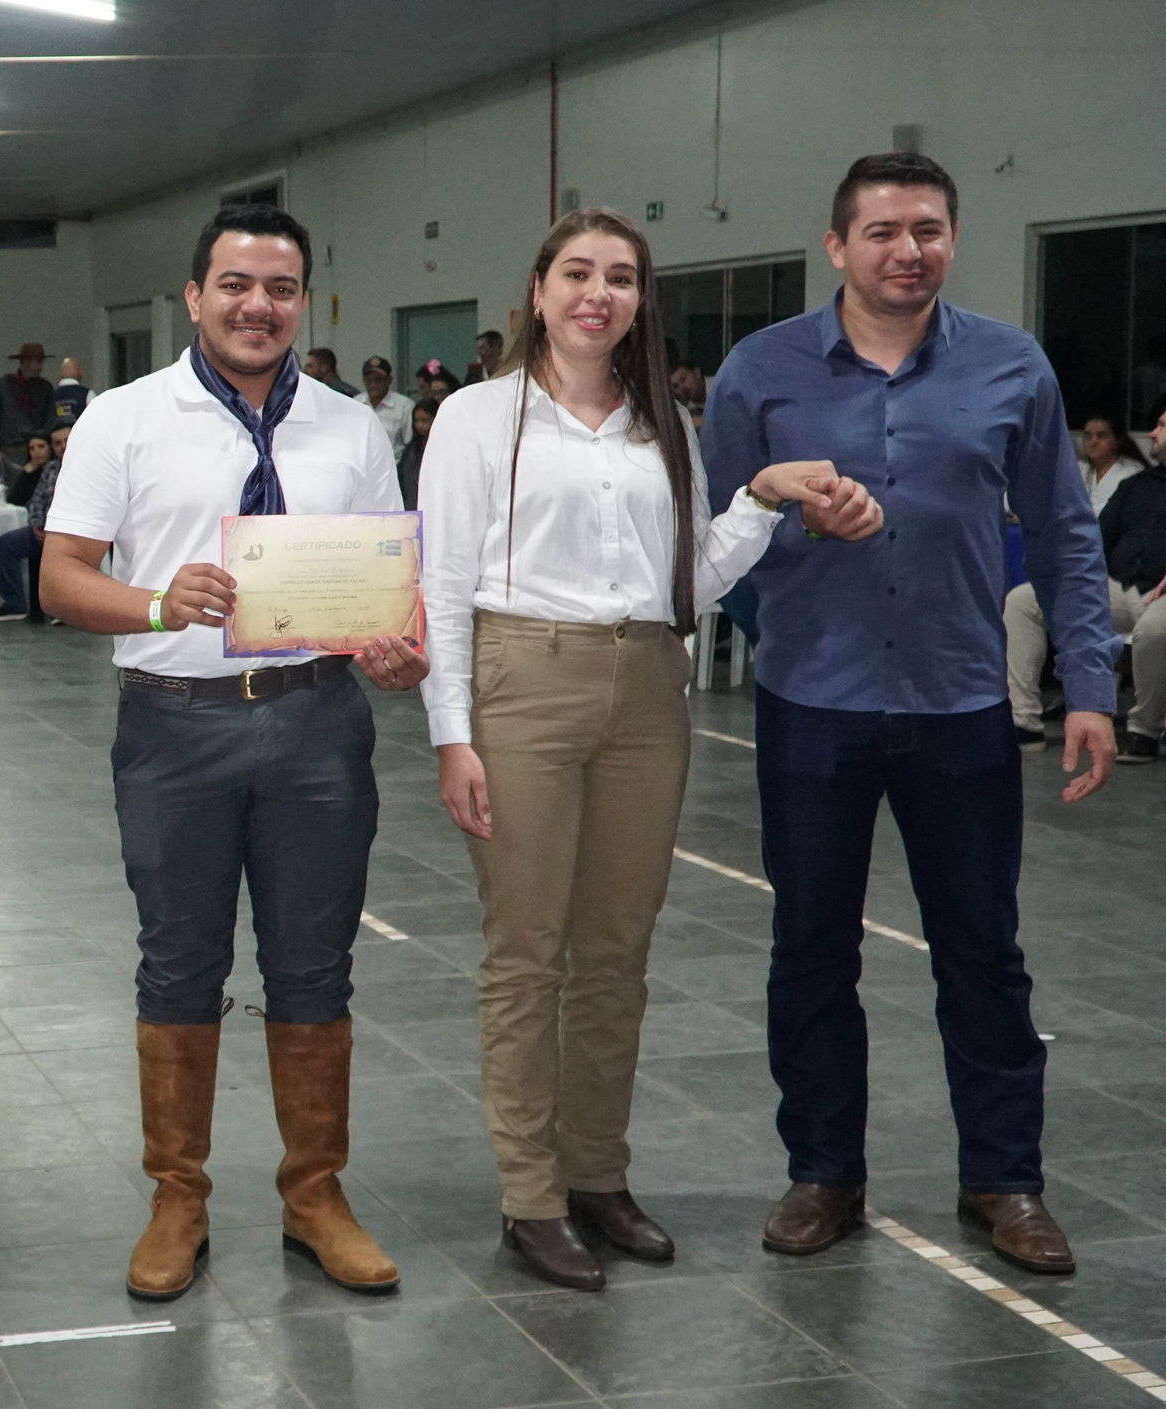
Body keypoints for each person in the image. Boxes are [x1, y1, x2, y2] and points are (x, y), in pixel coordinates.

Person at [420, 208, 878, 1292]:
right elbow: (438, 587)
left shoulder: (661, 422)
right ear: (536, 291)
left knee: (616, 953)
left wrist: (760, 498)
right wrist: (452, 733)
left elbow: (692, 584)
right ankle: (530, 1196)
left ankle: (597, 1176)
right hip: (521, 680)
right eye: (576, 273)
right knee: (527, 952)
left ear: (639, 301)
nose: (597, 293)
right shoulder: (480, 418)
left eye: (619, 278)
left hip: (646, 690)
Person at [703, 153, 1117, 1277]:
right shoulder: (761, 370)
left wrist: (1089, 684)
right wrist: (794, 551)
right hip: (812, 706)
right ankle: (822, 1170)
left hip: (959, 707)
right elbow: (718, 542)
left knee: (983, 952)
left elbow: (1065, 533)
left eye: (927, 229)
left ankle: (1005, 1180)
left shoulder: (1009, 366)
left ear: (950, 239)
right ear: (836, 246)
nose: (907, 250)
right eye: (881, 231)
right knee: (809, 949)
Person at [41, 201, 427, 1306]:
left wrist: (396, 651)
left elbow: (386, 592)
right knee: (179, 963)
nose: (258, 306)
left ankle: (315, 1196)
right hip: (173, 724)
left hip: (316, 722)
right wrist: (158, 597)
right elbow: (59, 577)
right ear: (195, 295)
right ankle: (179, 1195)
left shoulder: (354, 428)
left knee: (313, 965)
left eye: (281, 288)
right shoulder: (122, 419)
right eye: (236, 286)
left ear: (304, 298)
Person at [1009, 409, 1166, 763]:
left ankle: (1144, 731)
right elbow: (1094, 539)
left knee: (1157, 629)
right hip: (1122, 588)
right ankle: (1024, 721)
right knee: (1023, 601)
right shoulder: (1135, 485)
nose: (1152, 434)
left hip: (1162, 595)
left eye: (1161, 426)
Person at [0, 424, 68, 622]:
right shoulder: (51, 468)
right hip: (44, 529)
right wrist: (37, 525)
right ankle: (15, 604)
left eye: (67, 441)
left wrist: (55, 529)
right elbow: (38, 499)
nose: (63, 446)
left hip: (70, 531)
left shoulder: (88, 466)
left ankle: (64, 609)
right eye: (58, 443)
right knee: (5, 544)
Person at [0, 342, 54, 457]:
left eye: (41, 362)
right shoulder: (4, 384)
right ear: (25, 362)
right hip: (8, 447)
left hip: (35, 449)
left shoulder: (45, 388)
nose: (40, 367)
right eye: (38, 362)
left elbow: (49, 418)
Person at [1075, 412, 1143, 517]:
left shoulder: (1131, 472)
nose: (1093, 442)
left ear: (1118, 440)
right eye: (1088, 436)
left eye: (1101, 436)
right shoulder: (1080, 469)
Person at [360, 356, 416, 462]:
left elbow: (410, 444)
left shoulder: (405, 406)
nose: (373, 385)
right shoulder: (356, 403)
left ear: (389, 380)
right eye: (369, 380)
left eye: (378, 380)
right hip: (362, 468)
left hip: (393, 467)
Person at [397, 398, 435, 510]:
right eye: (416, 421)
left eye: (424, 420)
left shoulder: (443, 447)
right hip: (412, 502)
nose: (420, 425)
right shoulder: (411, 449)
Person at [51, 356, 93, 426]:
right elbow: (94, 419)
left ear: (60, 373)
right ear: (81, 372)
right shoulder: (88, 394)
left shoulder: (50, 395)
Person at [668, 361, 708, 426]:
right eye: (676, 386)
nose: (681, 387)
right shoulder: (686, 416)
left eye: (683, 379)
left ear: (696, 373)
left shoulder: (722, 387)